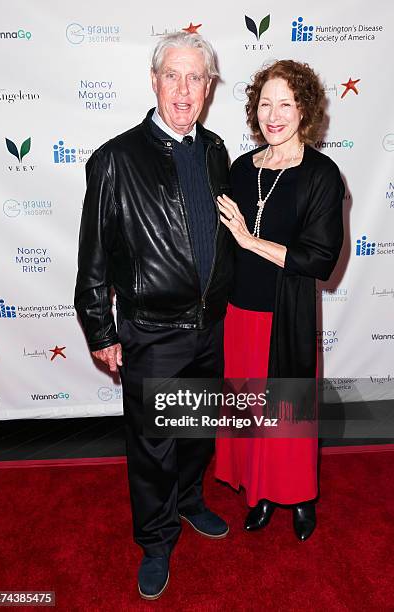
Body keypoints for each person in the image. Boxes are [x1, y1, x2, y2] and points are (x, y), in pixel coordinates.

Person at [74, 32, 233, 600]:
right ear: (154, 81)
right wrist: (99, 326)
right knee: (153, 446)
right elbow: (93, 255)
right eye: (174, 76)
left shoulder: (216, 150)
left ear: (209, 87)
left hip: (209, 327)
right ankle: (156, 539)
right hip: (152, 330)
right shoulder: (116, 158)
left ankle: (189, 500)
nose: (184, 90)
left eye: (196, 78)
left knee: (196, 432)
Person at [215, 60, 344, 541]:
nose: (274, 114)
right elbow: (222, 246)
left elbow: (320, 258)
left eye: (285, 104)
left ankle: (301, 498)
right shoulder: (240, 170)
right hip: (238, 313)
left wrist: (251, 241)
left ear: (304, 110)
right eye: (265, 103)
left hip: (284, 317)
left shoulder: (322, 175)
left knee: (288, 418)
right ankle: (263, 493)